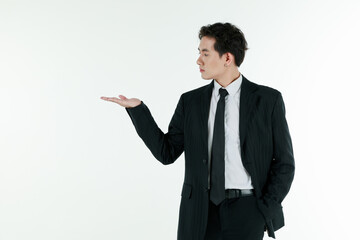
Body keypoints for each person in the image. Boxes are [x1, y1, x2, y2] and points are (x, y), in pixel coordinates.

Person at [100, 22, 295, 240]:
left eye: (205, 53)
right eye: (199, 53)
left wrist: (265, 207)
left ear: (227, 58)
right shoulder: (190, 102)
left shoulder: (268, 100)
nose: (198, 61)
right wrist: (138, 111)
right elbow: (167, 153)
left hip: (248, 212)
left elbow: (285, 163)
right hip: (199, 211)